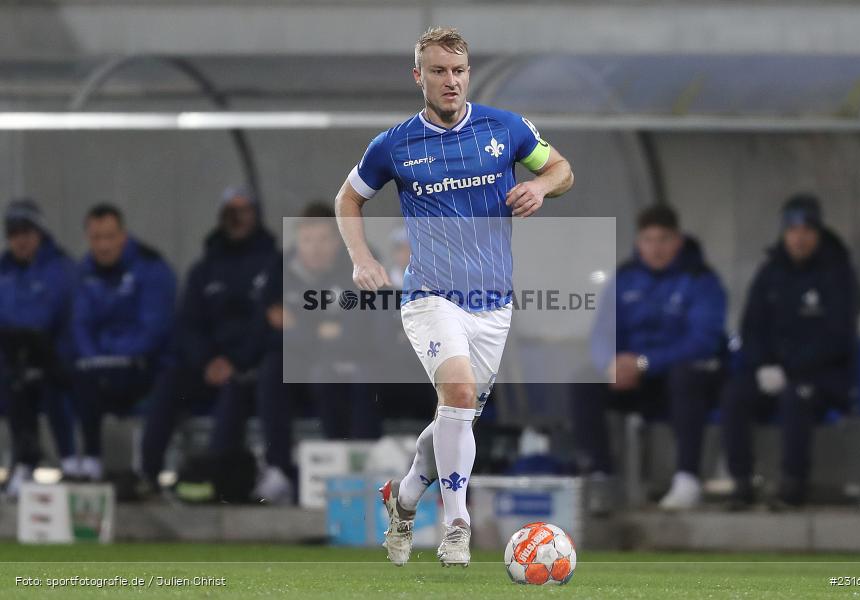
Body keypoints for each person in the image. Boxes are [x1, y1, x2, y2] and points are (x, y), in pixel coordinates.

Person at [334, 27, 574, 567]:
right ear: (419, 75)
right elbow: (348, 198)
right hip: (430, 295)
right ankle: (457, 524)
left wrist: (538, 186)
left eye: (459, 71)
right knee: (459, 393)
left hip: (494, 303)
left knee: (455, 411)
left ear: (469, 73)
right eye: (439, 71)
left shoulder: (505, 128)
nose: (451, 81)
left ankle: (403, 497)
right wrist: (362, 258)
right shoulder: (393, 144)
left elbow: (562, 168)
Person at [571, 205, 727, 511]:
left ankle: (687, 478)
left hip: (678, 379)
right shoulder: (626, 278)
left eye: (664, 240)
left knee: (687, 376)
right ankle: (601, 477)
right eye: (648, 240)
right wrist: (611, 365)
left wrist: (644, 363)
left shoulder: (700, 280)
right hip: (632, 381)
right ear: (638, 242)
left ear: (678, 241)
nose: (656, 248)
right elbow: (602, 333)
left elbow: (702, 341)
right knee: (584, 381)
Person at [722, 194, 860, 509]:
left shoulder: (837, 274)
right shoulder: (770, 272)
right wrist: (761, 366)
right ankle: (741, 483)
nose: (799, 238)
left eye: (806, 231)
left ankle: (792, 485)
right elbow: (752, 326)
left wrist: (791, 370)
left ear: (818, 233)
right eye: (792, 231)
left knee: (795, 397)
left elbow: (838, 338)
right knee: (734, 395)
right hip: (770, 372)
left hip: (823, 377)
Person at [140, 187, 277, 487]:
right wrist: (208, 360)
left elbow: (268, 323)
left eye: (244, 212)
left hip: (249, 368)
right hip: (208, 366)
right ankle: (148, 475)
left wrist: (236, 361)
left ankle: (214, 482)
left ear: (255, 215)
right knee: (169, 381)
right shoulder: (204, 269)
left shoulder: (273, 265)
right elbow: (188, 324)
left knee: (236, 388)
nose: (237, 219)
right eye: (230, 212)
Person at [250, 202, 381, 504]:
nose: (316, 248)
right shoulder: (280, 270)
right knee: (272, 370)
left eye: (324, 239)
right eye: (308, 240)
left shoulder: (359, 266)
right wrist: (322, 329)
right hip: (299, 363)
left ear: (338, 240)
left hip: (347, 365)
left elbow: (359, 331)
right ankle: (278, 469)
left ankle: (345, 468)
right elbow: (264, 329)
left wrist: (297, 326)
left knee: (340, 371)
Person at [71, 204, 177, 481]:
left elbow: (154, 328)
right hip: (103, 367)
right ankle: (90, 460)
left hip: (144, 366)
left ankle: (148, 471)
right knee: (76, 376)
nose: (103, 245)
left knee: (168, 381)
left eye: (109, 237)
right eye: (96, 238)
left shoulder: (152, 268)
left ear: (123, 236)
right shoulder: (84, 272)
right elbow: (80, 324)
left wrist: (115, 355)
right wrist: (96, 358)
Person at [0, 198, 78, 494]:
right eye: (13, 233)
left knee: (41, 380)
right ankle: (24, 462)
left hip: (57, 359)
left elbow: (48, 318)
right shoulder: (4, 271)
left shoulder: (60, 267)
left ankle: (68, 460)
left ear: (39, 233)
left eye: (27, 232)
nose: (20, 240)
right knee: (15, 381)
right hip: (13, 360)